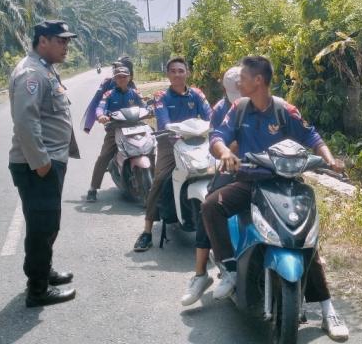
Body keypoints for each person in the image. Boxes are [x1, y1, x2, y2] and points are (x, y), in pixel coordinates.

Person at [202, 56, 349, 341]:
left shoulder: (285, 110)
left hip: (286, 186)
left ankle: (328, 308)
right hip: (249, 183)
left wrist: (329, 159)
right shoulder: (239, 108)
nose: (238, 82)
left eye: (242, 77)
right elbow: (218, 136)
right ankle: (229, 269)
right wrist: (226, 153)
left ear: (258, 81)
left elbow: (311, 136)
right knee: (211, 206)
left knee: (306, 241)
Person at [7, 19, 80, 308]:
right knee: (42, 225)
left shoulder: (45, 69)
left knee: (47, 224)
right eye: (60, 40)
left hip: (49, 160)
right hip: (37, 165)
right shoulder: (32, 74)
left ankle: (43, 271)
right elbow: (26, 121)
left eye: (67, 41)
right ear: (43, 41)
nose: (66, 46)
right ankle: (37, 290)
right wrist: (41, 164)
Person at [133, 57, 212, 251]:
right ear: (168, 74)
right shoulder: (161, 96)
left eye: (181, 70)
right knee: (159, 180)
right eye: (173, 71)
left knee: (221, 174)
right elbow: (163, 121)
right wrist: (173, 133)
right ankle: (147, 231)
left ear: (187, 73)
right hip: (171, 142)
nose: (177, 74)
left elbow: (211, 116)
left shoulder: (197, 94)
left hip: (198, 141)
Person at [180, 65, 241, 306]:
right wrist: (230, 149)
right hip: (231, 170)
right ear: (226, 91)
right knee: (209, 206)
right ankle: (200, 274)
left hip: (263, 169)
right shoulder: (220, 110)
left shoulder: (264, 104)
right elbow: (216, 145)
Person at [85, 66, 145, 202]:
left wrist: (150, 109)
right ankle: (93, 188)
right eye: (119, 76)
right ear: (115, 79)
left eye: (124, 76)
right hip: (115, 129)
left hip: (136, 127)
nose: (122, 79)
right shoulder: (109, 94)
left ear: (129, 78)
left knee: (153, 144)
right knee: (104, 156)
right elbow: (101, 107)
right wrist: (100, 115)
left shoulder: (135, 93)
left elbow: (144, 105)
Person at [81, 56, 135, 134]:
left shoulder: (132, 87)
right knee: (109, 144)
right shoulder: (107, 84)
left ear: (129, 73)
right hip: (113, 124)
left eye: (124, 75)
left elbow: (140, 103)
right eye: (116, 69)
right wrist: (90, 123)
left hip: (132, 123)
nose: (118, 71)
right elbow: (97, 102)